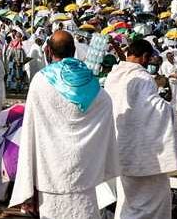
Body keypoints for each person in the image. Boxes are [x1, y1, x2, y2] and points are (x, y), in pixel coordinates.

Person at [10, 30, 119, 219]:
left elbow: (30, 128)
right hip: (86, 172)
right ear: (74, 50)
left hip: (50, 172)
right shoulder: (93, 84)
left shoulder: (41, 80)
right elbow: (107, 108)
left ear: (49, 51)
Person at [104, 39, 177, 219]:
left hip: (119, 146)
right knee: (150, 202)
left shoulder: (113, 76)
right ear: (145, 56)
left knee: (127, 198)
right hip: (142, 154)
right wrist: (167, 104)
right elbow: (152, 111)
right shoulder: (143, 78)